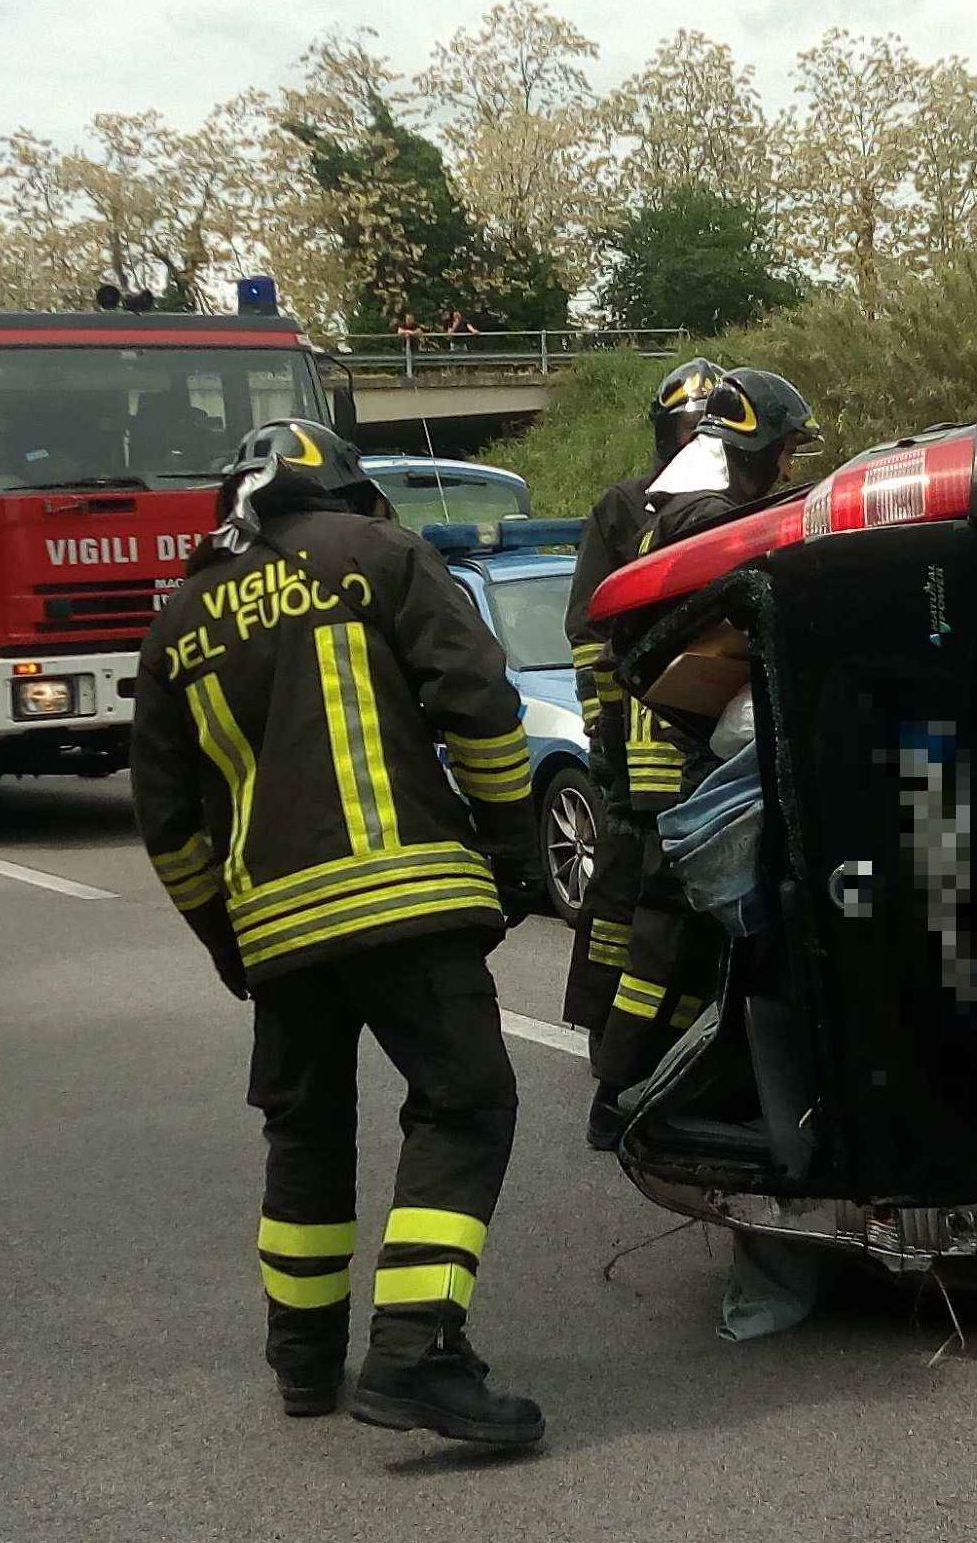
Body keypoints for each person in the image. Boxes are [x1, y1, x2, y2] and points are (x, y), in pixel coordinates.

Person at [128, 420, 549, 1447]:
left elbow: (166, 818)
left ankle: (304, 1360)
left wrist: (228, 939)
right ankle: (415, 1352)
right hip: (404, 899)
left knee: (304, 1132)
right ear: (350, 494)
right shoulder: (380, 555)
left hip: (275, 931)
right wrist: (507, 848)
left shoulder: (177, 617)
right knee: (462, 1105)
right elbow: (481, 707)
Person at [586, 368, 817, 1117]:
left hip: (681, 753)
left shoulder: (676, 508)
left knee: (685, 942)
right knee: (669, 943)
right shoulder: (704, 518)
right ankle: (627, 1089)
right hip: (682, 761)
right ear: (749, 449)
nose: (786, 466)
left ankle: (668, 1084)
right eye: (781, 451)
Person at [556, 356, 723, 1032]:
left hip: (703, 749)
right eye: (686, 427)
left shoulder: (734, 509)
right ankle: (611, 1035)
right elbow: (591, 631)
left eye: (707, 430)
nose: (695, 442)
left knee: (675, 919)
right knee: (622, 908)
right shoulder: (625, 509)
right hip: (638, 750)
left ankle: (661, 1048)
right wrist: (603, 735)